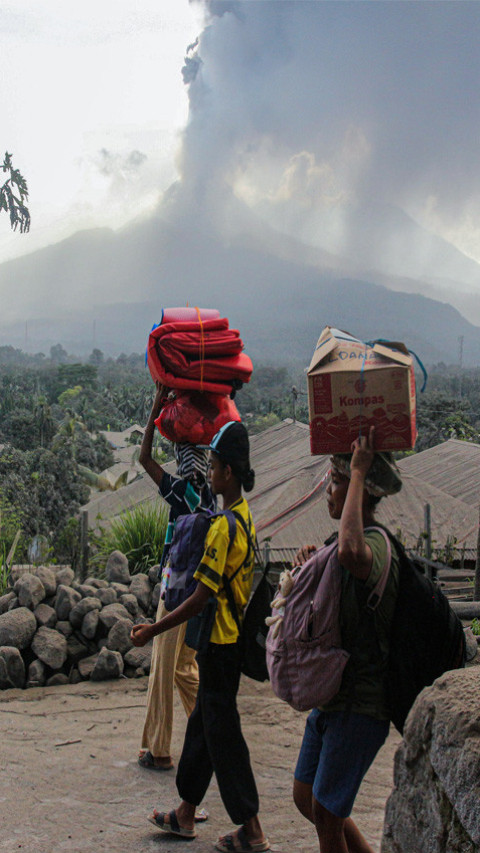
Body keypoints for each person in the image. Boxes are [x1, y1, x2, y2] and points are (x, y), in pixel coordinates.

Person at [131, 420, 270, 853]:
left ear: (227, 472)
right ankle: (185, 814)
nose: (208, 474)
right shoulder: (243, 518)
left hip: (220, 642)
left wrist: (154, 628)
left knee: (224, 738)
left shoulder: (222, 528)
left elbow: (198, 597)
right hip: (224, 642)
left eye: (212, 467)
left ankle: (252, 830)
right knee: (202, 730)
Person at [292, 427, 401, 853]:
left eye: (335, 481)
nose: (329, 491)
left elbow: (352, 555)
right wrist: (307, 564)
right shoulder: (339, 542)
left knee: (326, 812)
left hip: (361, 703)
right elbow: (333, 570)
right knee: (308, 798)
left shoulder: (373, 543)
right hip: (333, 698)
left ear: (363, 487)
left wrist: (356, 470)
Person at [137, 383, 216, 771]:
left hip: (176, 588)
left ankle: (160, 748)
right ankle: (216, 733)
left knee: (164, 665)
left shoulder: (182, 490)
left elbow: (143, 457)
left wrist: (158, 400)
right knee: (185, 667)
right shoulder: (212, 492)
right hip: (201, 590)